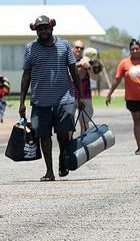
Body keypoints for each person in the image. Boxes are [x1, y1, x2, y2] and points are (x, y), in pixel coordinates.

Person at [19, 15, 83, 182]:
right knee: (43, 135)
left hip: (65, 98)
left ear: (52, 28)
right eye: (40, 29)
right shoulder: (30, 49)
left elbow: (74, 71)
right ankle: (49, 171)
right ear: (36, 30)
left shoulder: (64, 46)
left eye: (46, 28)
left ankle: (63, 158)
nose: (43, 31)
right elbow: (26, 75)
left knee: (63, 134)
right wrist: (22, 102)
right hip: (40, 101)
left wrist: (81, 95)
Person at [105, 39, 140, 155]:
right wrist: (109, 94)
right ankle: (139, 147)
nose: (135, 51)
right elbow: (117, 80)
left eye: (137, 49)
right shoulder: (124, 63)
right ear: (129, 50)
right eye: (132, 49)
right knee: (137, 121)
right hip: (133, 98)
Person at [71, 40, 98, 135]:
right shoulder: (67, 61)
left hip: (85, 96)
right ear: (72, 48)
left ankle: (84, 145)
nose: (79, 49)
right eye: (77, 47)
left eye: (81, 48)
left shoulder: (88, 62)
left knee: (85, 122)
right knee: (69, 124)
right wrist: (79, 65)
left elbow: (95, 78)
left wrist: (88, 67)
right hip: (70, 96)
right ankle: (68, 147)